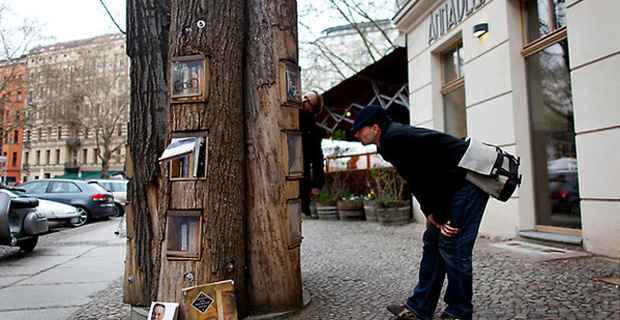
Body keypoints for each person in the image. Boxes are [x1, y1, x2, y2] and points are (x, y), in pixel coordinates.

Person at [351, 105, 489, 320]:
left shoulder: (397, 138)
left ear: (375, 128)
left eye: (360, 129)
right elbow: (417, 178)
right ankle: (419, 308)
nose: (356, 133)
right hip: (453, 185)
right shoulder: (389, 141)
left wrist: (442, 215)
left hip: (468, 183)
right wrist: (430, 213)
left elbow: (434, 174)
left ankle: (459, 313)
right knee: (433, 240)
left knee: (453, 246)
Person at [300, 90, 326, 217]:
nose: (303, 100)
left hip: (299, 177)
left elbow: (317, 159)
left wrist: (316, 184)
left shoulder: (314, 131)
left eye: (308, 101)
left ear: (312, 109)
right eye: (304, 97)